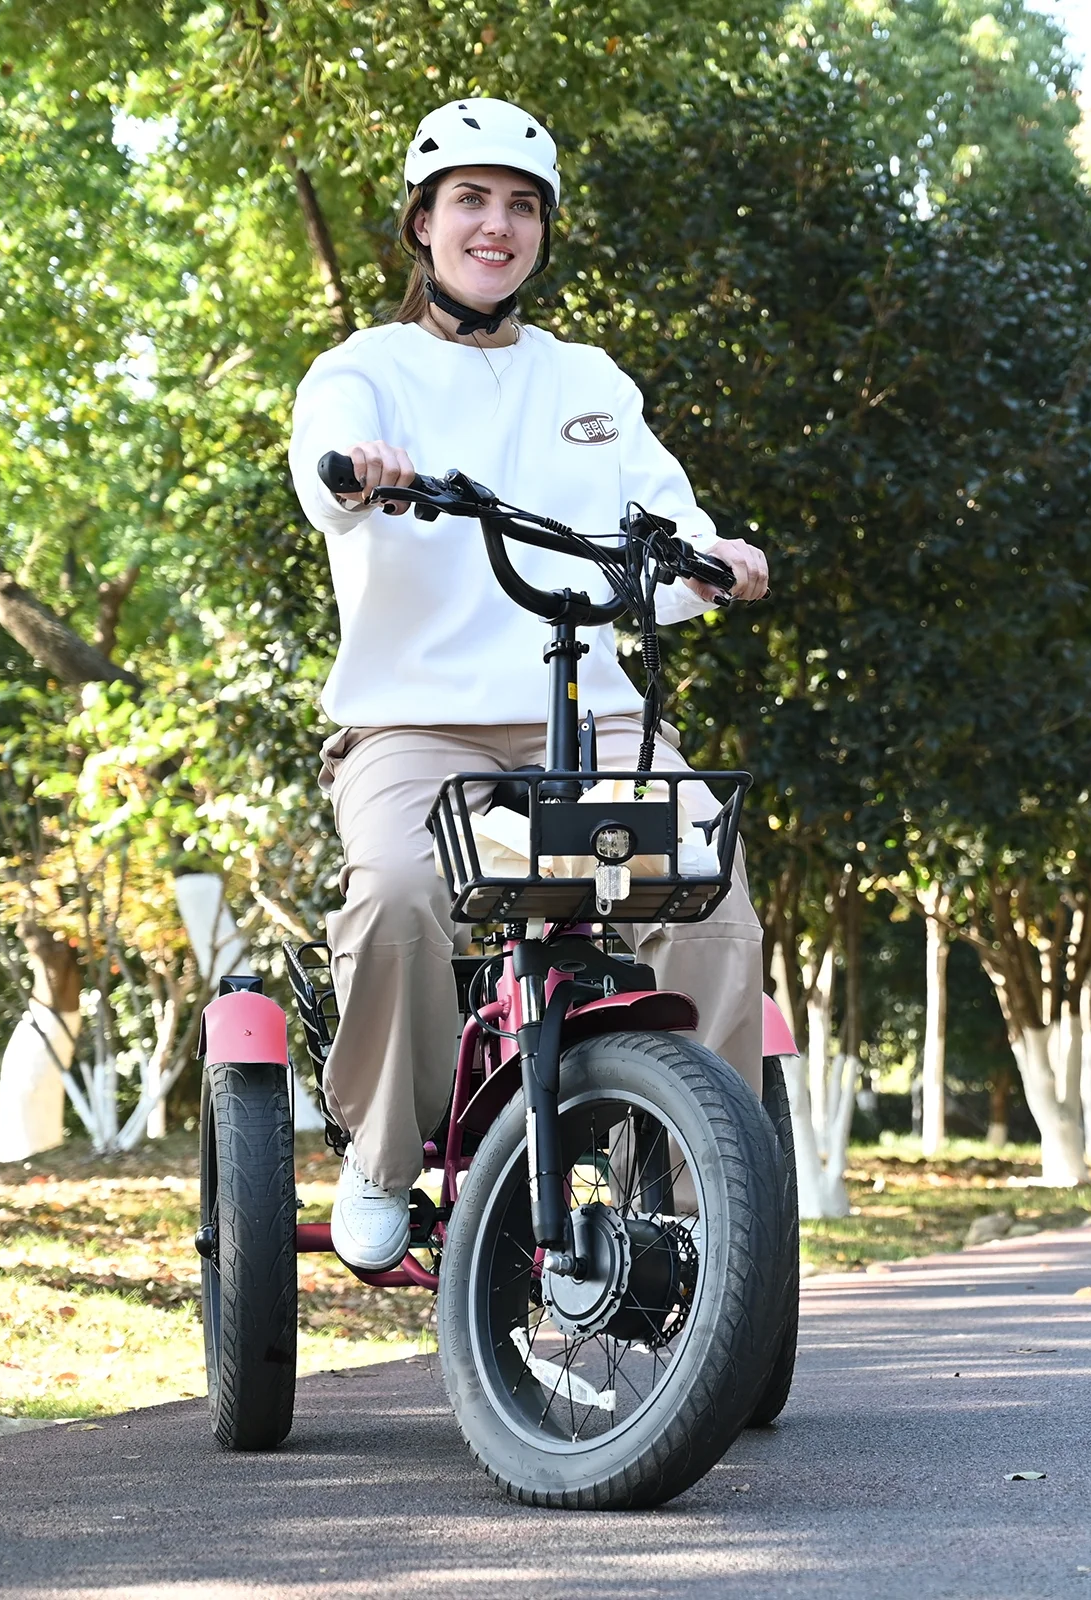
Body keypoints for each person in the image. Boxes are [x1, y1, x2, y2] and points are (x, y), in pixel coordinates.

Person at [287, 97, 770, 1273]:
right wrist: (357, 473)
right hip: (416, 722)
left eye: (520, 206)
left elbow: (664, 533)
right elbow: (323, 466)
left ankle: (700, 1199)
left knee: (709, 893)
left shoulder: (587, 378)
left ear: (543, 230)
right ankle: (383, 1158)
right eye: (469, 200)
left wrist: (715, 560)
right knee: (399, 890)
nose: (494, 226)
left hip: (592, 711)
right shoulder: (365, 369)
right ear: (422, 223)